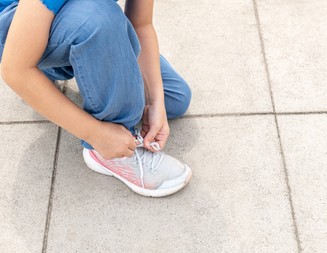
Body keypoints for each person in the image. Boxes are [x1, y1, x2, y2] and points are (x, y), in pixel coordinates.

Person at [0, 0, 192, 197]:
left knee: (174, 99)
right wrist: (96, 134)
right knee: (99, 18)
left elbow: (140, 24)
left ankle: (67, 61)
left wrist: (155, 102)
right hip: (12, 26)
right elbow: (15, 70)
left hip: (69, 16)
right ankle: (109, 155)